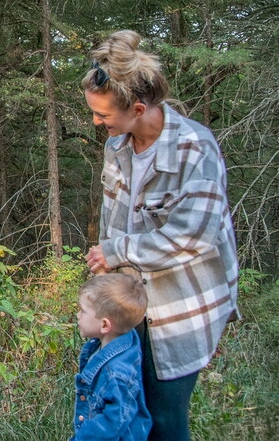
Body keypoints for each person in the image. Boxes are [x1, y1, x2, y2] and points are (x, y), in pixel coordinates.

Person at [82, 30, 239, 441]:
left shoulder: (194, 147)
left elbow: (195, 235)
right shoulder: (117, 146)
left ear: (137, 108)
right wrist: (104, 285)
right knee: (128, 412)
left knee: (166, 420)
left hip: (181, 309)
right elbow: (112, 218)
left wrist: (117, 250)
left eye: (103, 116)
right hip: (130, 306)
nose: (97, 123)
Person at [71, 274, 152, 441]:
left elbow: (113, 423)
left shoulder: (116, 374)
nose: (78, 315)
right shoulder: (123, 339)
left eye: (83, 311)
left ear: (105, 325)